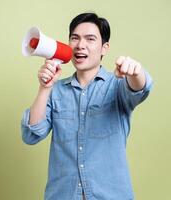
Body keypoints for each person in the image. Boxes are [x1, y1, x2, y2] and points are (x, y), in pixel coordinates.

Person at [21, 12, 153, 200]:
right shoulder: (56, 91)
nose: (80, 45)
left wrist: (134, 71)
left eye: (90, 39)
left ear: (104, 48)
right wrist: (44, 88)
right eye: (74, 38)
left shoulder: (117, 85)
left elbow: (141, 88)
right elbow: (31, 134)